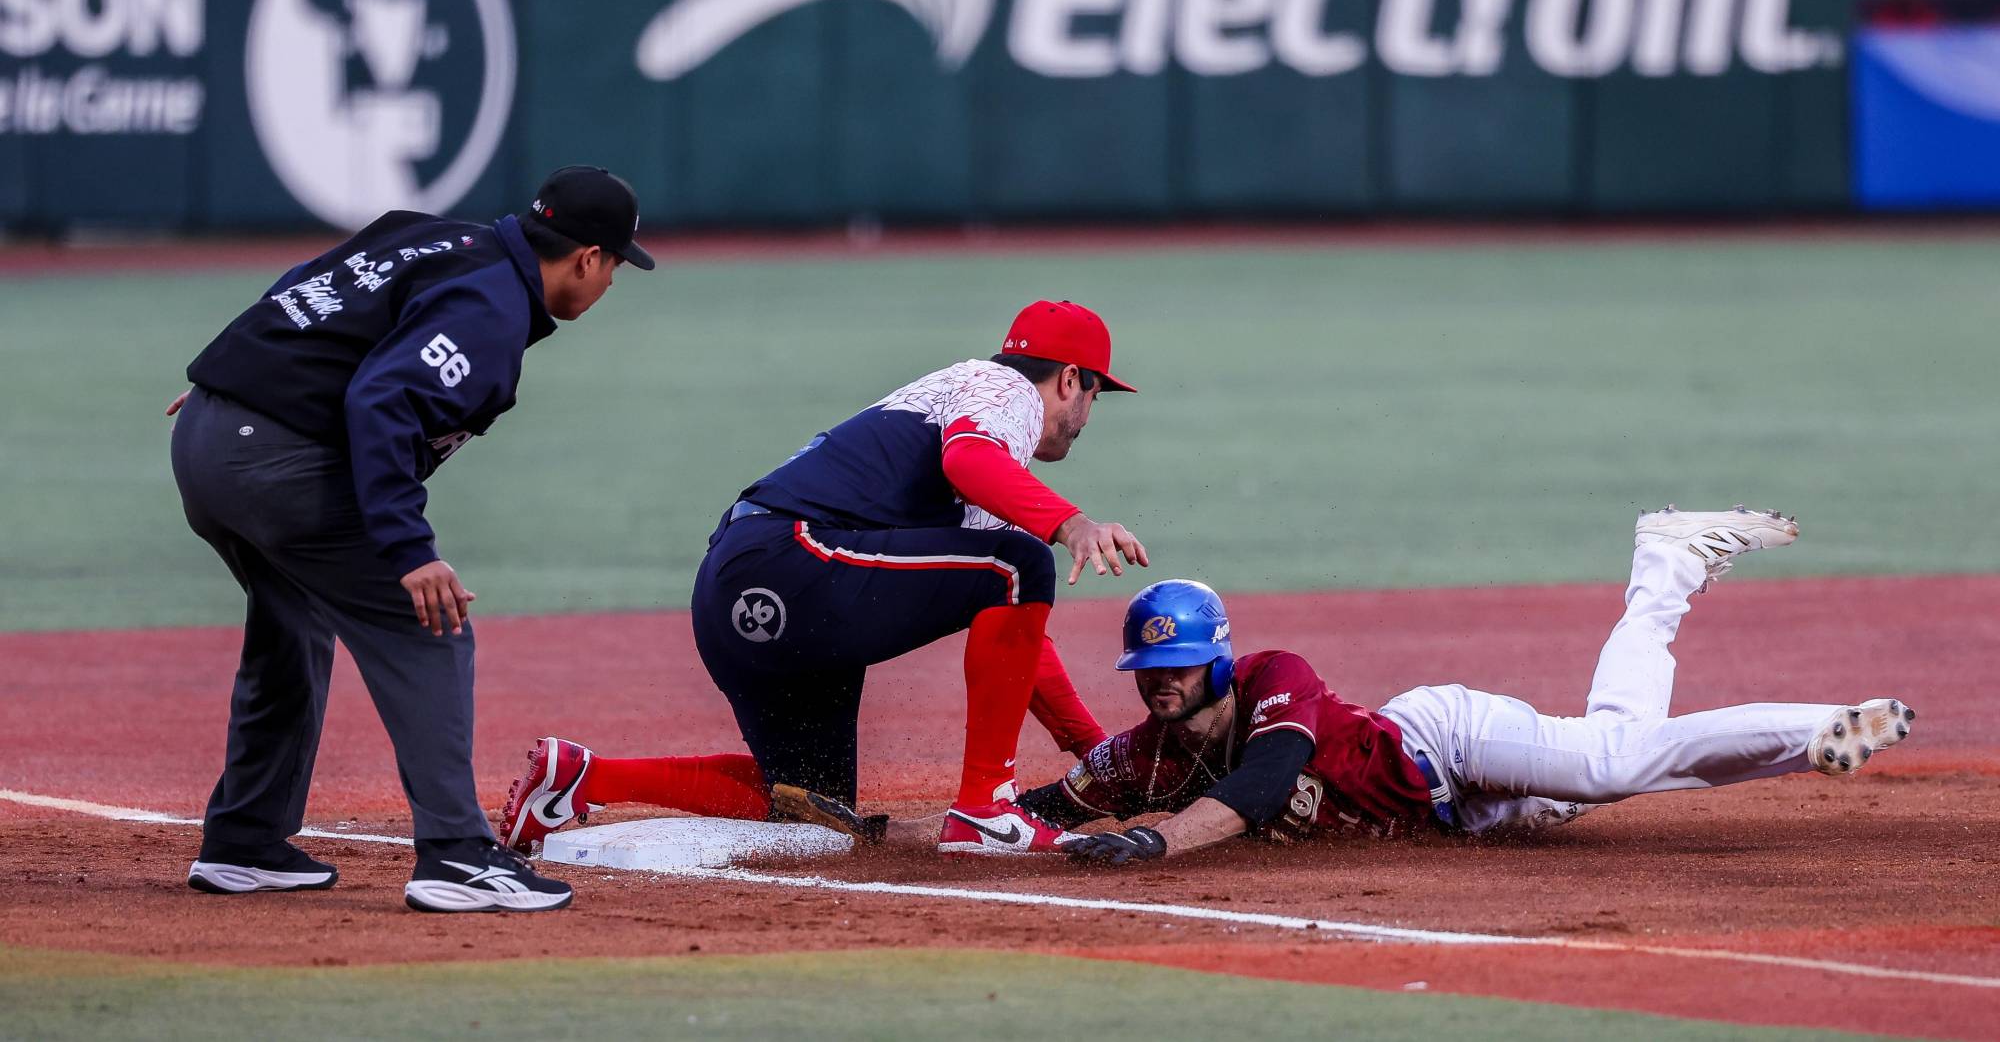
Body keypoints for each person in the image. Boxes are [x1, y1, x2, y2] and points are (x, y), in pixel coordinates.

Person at [169, 166, 654, 912]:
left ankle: (244, 838)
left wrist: (240, 375)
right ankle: (458, 856)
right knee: (430, 626)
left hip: (210, 433)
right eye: (617, 263)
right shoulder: (491, 311)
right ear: (587, 257)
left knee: (293, 623)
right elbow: (383, 398)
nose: (613, 281)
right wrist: (410, 549)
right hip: (268, 458)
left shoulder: (428, 232)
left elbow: (307, 284)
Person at [503, 300, 1146, 857]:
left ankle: (582, 778)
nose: (1089, 411)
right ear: (1070, 380)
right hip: (790, 559)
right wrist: (1070, 524)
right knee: (1023, 558)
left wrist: (1095, 751)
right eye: (1095, 393)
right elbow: (973, 465)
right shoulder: (998, 390)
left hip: (738, 588)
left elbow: (1015, 625)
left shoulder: (976, 446)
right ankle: (986, 807)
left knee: (810, 808)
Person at [1019, 507, 1915, 865]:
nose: (1160, 684)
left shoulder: (1272, 678)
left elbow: (1258, 787)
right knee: (1621, 743)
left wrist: (1158, 843)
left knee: (1609, 762)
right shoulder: (1140, 754)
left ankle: (1818, 729)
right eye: (1147, 671)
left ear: (1216, 658)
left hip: (1442, 741)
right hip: (1454, 817)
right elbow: (1041, 805)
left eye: (1175, 667)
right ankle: (1669, 559)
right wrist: (885, 832)